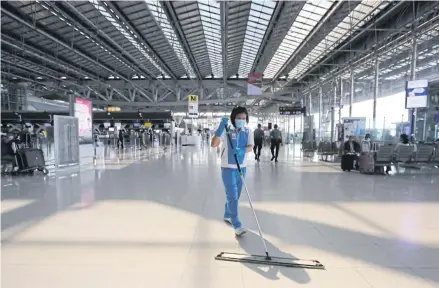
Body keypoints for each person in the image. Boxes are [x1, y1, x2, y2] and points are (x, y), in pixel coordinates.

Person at [211, 106, 254, 236]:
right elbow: (214, 144)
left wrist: (242, 151)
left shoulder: (248, 131)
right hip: (228, 168)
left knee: (236, 195)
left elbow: (250, 146)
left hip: (242, 167)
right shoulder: (226, 130)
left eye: (243, 118)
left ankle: (227, 214)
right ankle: (236, 224)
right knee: (233, 196)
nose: (241, 120)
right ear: (233, 118)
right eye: (238, 118)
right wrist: (219, 129)